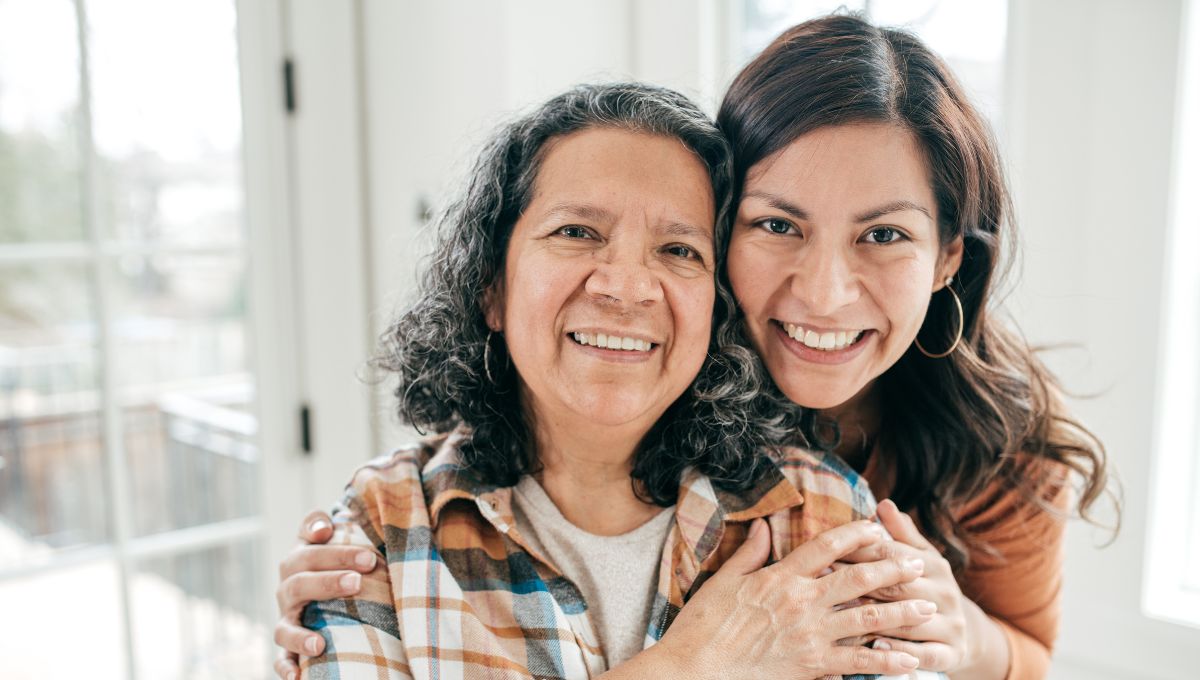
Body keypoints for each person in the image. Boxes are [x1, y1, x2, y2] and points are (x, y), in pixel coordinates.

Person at [275, 14, 1113, 680]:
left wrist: (953, 629)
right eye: (777, 224)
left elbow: (1029, 658)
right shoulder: (387, 529)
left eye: (884, 235)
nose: (823, 293)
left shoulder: (858, 507)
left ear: (947, 261)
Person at [288, 81, 939, 680]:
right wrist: (687, 666)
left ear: (717, 309)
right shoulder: (380, 532)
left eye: (679, 250)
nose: (626, 287)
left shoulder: (825, 521)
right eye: (577, 232)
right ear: (492, 286)